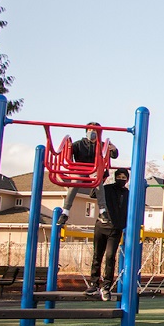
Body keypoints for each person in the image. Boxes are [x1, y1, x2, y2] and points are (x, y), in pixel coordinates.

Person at [58, 123, 119, 226]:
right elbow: (68, 153)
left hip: (94, 169)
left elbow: (114, 155)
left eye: (95, 131)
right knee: (75, 183)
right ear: (86, 132)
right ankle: (65, 211)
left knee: (98, 181)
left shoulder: (102, 145)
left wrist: (114, 149)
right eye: (90, 130)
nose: (92, 133)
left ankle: (102, 210)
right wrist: (68, 148)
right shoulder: (79, 144)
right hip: (80, 169)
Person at [85, 167, 130, 301]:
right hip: (101, 226)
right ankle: (94, 283)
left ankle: (106, 286)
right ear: (115, 177)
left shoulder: (128, 193)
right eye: (119, 177)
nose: (121, 180)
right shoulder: (107, 189)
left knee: (110, 256)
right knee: (97, 255)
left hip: (115, 229)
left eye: (124, 178)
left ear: (127, 180)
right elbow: (93, 193)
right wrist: (101, 177)